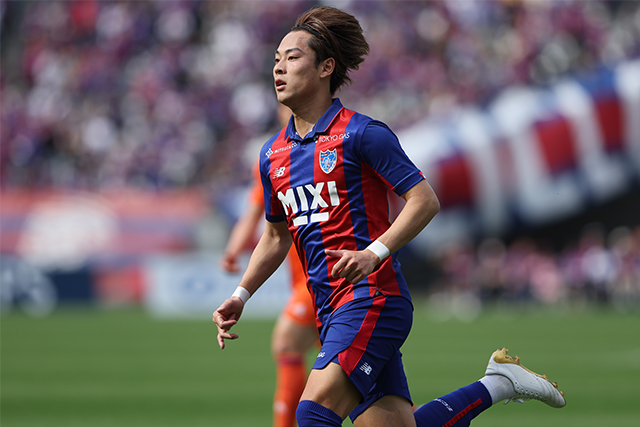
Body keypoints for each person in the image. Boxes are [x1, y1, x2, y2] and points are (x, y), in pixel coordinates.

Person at [213, 6, 566, 427]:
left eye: (292, 57)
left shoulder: (362, 133)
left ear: (326, 68)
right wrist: (241, 294)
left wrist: (373, 254)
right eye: (276, 59)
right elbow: (275, 236)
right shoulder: (272, 154)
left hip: (373, 299)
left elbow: (424, 200)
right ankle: (498, 383)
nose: (278, 68)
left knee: (311, 413)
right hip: (329, 310)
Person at [220, 107, 319, 427]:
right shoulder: (274, 154)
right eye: (281, 104)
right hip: (307, 281)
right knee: (373, 395)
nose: (286, 109)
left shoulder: (339, 143)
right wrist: (234, 248)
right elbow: (255, 211)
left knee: (286, 343)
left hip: (324, 279)